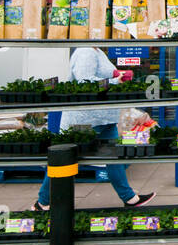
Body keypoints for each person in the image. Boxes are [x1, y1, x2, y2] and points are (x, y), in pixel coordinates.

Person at [33, 47, 155, 211]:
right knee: (64, 158)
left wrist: (118, 74)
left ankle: (130, 198)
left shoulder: (97, 50)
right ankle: (42, 201)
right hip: (85, 120)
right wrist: (115, 81)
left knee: (114, 159)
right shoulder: (86, 51)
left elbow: (100, 74)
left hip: (103, 119)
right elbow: (85, 82)